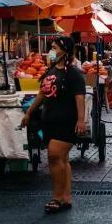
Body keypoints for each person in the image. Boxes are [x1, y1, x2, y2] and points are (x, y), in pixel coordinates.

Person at [22, 36, 86, 214]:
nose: (50, 50)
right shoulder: (50, 71)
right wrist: (29, 113)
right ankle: (66, 196)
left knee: (54, 156)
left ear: (63, 51)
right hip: (49, 121)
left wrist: (81, 120)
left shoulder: (73, 74)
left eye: (53, 47)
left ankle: (57, 197)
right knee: (62, 159)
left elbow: (79, 98)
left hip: (67, 122)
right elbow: (41, 95)